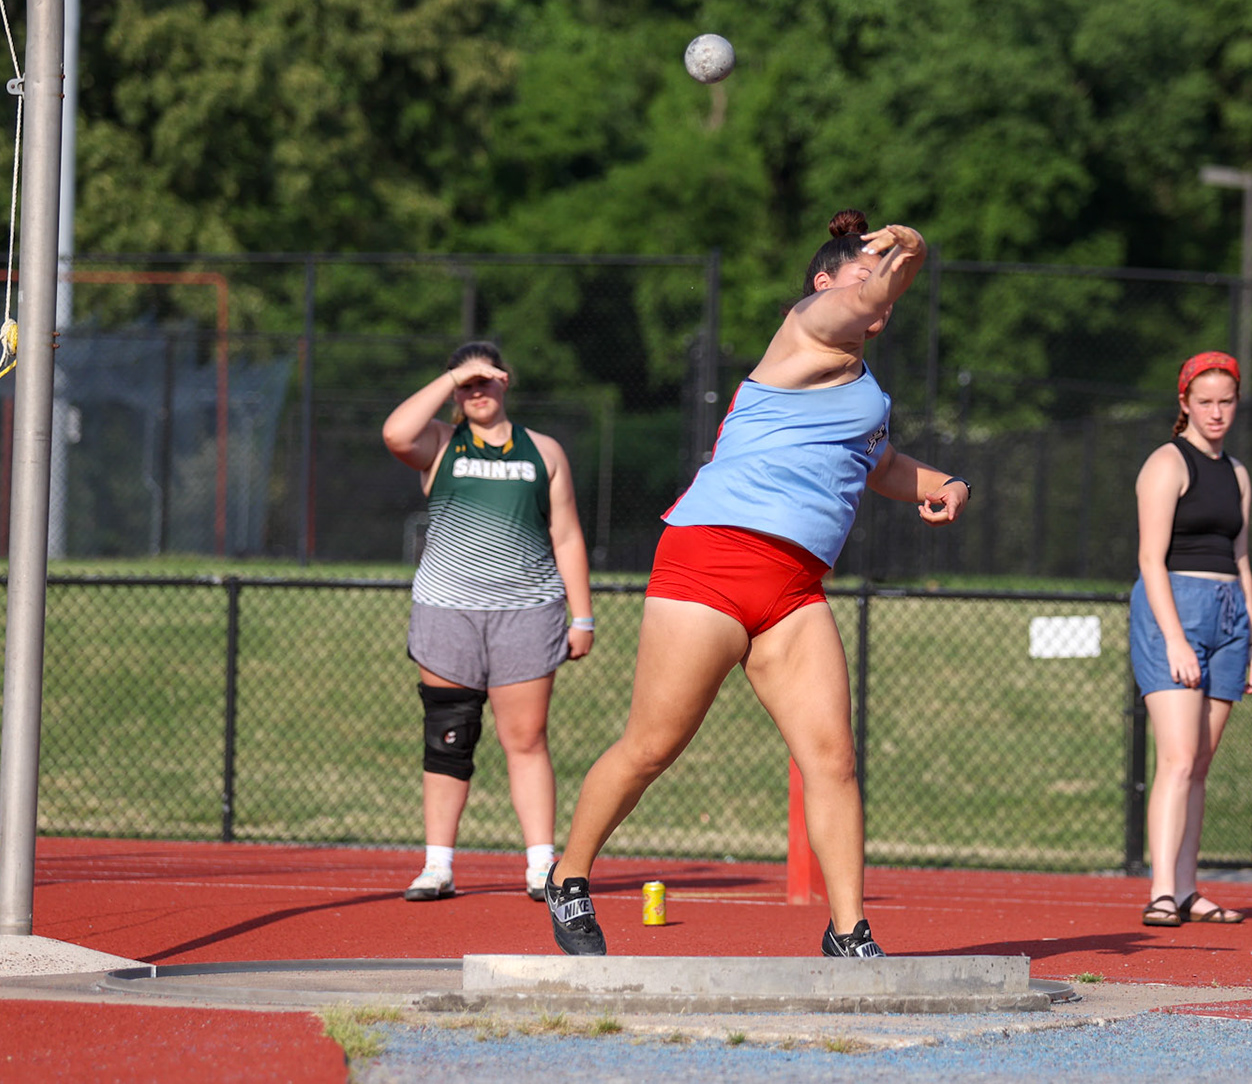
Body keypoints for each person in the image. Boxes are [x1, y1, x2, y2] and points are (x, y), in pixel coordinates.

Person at [543, 209, 970, 958]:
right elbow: (862, 301)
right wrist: (907, 247)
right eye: (861, 273)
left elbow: (880, 464)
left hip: (794, 587)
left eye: (884, 283)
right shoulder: (804, 335)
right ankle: (568, 877)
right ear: (822, 283)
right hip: (711, 560)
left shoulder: (862, 385)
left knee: (832, 758)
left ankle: (849, 934)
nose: (878, 292)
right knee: (651, 747)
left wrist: (948, 481)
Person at [381, 340, 595, 905]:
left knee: (525, 739)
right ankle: (438, 865)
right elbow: (395, 434)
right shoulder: (439, 443)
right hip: (447, 608)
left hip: (527, 610)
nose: (477, 392)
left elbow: (567, 534)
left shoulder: (543, 451)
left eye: (486, 380)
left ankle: (540, 863)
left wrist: (583, 616)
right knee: (448, 736)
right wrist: (451, 377)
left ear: (506, 382)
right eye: (467, 385)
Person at [1129, 351, 1252, 928]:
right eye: (1205, 402)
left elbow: (1241, 558)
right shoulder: (1167, 462)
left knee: (1202, 762)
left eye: (1226, 402)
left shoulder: (1236, 473)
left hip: (1230, 615)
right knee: (1178, 758)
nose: (1217, 413)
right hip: (1174, 610)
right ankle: (1161, 889)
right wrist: (1176, 639)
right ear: (1184, 402)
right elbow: (1149, 558)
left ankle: (1187, 888)